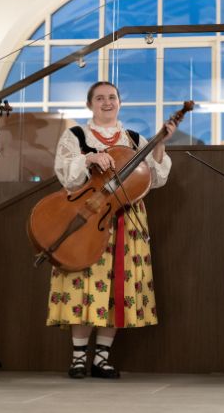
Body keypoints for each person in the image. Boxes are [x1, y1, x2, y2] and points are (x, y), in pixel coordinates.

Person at [47, 81, 176, 379]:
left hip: (126, 218)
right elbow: (66, 175)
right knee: (82, 281)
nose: (107, 102)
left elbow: (156, 180)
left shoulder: (134, 139)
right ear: (89, 104)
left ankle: (102, 358)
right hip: (88, 215)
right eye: (100, 98)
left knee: (119, 284)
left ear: (119, 102)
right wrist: (89, 158)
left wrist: (159, 145)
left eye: (112, 97)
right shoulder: (76, 135)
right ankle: (79, 357)